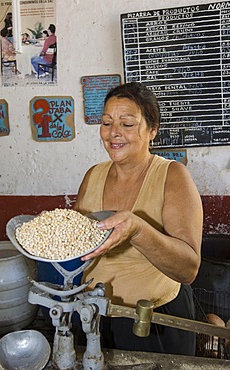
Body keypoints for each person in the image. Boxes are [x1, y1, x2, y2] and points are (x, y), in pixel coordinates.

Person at [74, 82, 203, 356]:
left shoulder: (172, 176)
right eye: (107, 123)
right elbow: (76, 242)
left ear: (152, 130)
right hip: (93, 314)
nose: (113, 133)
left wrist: (138, 231)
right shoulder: (93, 175)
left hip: (154, 318)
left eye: (127, 124)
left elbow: (188, 269)